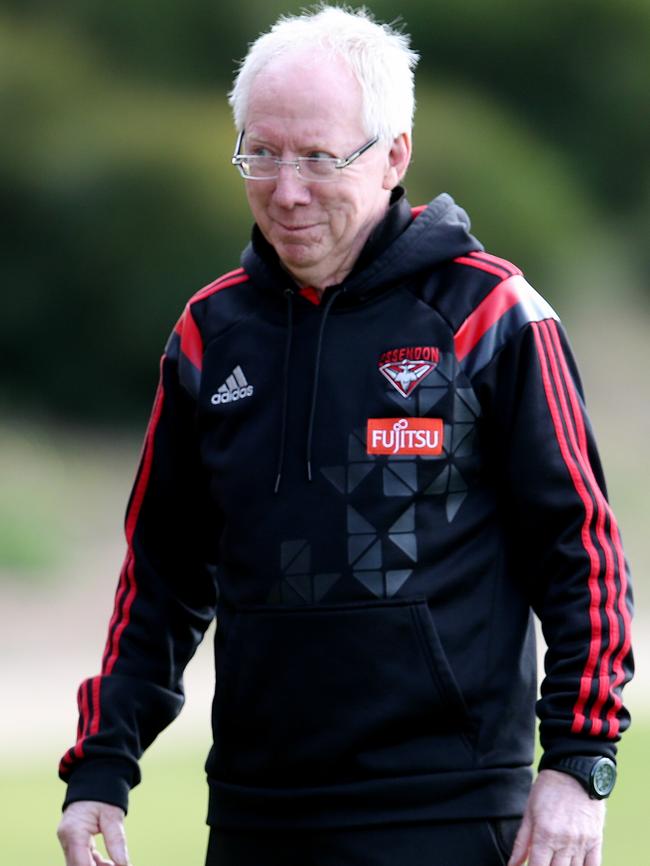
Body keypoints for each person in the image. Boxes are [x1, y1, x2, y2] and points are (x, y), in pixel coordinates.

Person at [57, 6, 634, 866]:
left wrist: (581, 763)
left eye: (319, 158)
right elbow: (163, 572)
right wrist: (103, 763)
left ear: (394, 154)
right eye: (262, 153)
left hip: (452, 813)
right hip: (256, 816)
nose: (285, 190)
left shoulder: (490, 314)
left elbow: (580, 551)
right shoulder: (208, 335)